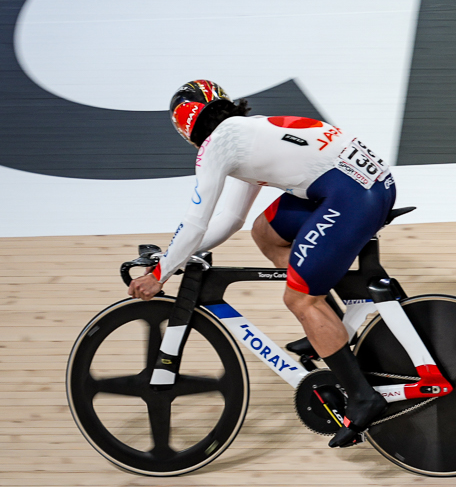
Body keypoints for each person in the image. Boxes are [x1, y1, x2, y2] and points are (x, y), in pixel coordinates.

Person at [126, 80, 395, 446]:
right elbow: (231, 220)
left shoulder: (218, 144)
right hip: (360, 185)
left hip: (352, 196)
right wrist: (178, 255)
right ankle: (326, 322)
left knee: (299, 300)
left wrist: (160, 273)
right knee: (265, 231)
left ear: (185, 127)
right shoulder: (243, 134)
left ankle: (363, 398)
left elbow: (195, 221)